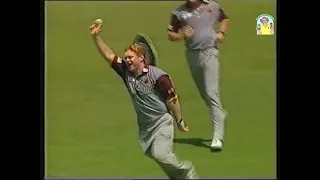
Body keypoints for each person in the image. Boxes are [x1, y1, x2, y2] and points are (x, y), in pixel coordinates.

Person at [89, 19, 198, 179]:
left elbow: (172, 100)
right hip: (146, 127)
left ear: (141, 57)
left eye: (131, 57)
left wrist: (180, 121)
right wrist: (96, 37)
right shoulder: (126, 72)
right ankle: (178, 177)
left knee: (161, 155)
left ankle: (187, 171)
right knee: (156, 155)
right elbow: (109, 55)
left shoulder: (158, 77)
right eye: (126, 57)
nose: (127, 60)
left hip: (162, 123)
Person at [167, 0, 230, 151]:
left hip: (210, 52)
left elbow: (225, 18)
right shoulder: (179, 12)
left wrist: (221, 32)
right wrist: (181, 35)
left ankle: (217, 137)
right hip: (192, 55)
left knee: (211, 93)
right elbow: (170, 34)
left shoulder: (212, 6)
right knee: (205, 94)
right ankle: (219, 113)